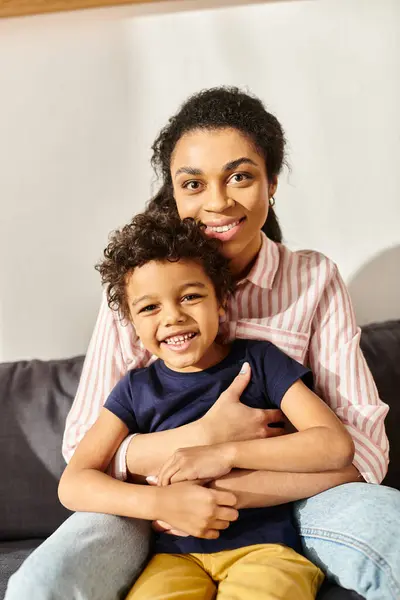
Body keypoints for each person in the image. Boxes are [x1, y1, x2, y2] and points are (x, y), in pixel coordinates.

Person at [6, 87, 399, 600]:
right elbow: (81, 455)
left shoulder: (313, 280)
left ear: (272, 182)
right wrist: (197, 442)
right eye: (193, 184)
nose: (217, 202)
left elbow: (363, 449)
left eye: (240, 176)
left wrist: (225, 483)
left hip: (293, 501)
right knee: (40, 585)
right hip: (150, 509)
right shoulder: (136, 289)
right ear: (173, 193)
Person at [57, 212, 348, 599]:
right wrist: (159, 501)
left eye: (190, 296)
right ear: (130, 321)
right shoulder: (134, 389)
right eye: (149, 308)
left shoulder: (260, 362)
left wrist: (225, 453)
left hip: (267, 551)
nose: (174, 317)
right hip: (172, 559)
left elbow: (334, 446)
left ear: (222, 301)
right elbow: (74, 482)